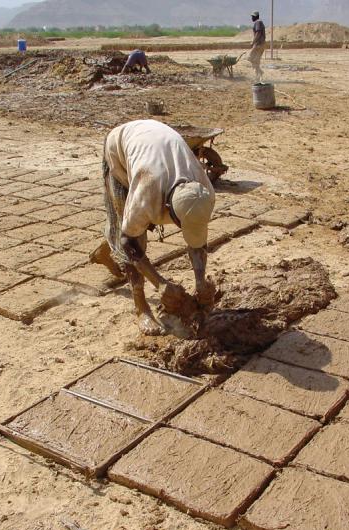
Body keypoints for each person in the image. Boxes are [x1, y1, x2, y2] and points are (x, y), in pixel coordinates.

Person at [90, 119, 216, 335]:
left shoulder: (204, 190)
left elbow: (198, 236)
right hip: (120, 150)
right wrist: (159, 284)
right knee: (135, 235)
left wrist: (200, 281)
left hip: (154, 145)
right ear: (167, 207)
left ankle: (103, 253)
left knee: (134, 222)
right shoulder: (148, 188)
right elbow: (128, 240)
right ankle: (141, 308)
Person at [247, 11, 266, 82]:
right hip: (260, 44)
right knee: (255, 60)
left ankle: (259, 73)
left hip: (258, 45)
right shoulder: (259, 22)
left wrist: (253, 42)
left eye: (252, 16)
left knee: (250, 58)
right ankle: (258, 74)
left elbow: (258, 33)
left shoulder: (258, 22)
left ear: (256, 17)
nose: (251, 18)